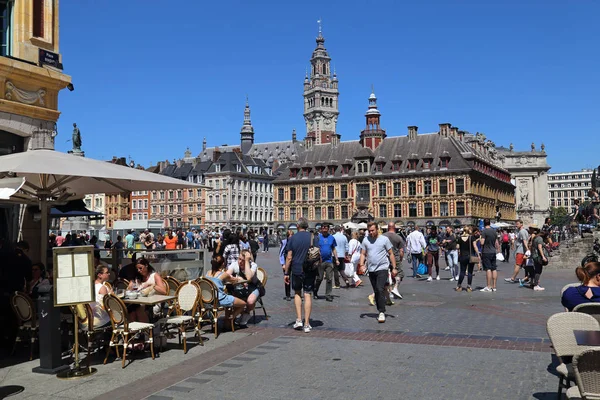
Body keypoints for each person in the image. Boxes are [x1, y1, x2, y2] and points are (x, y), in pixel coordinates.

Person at [359, 222, 397, 323]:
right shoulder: (366, 240)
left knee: (380, 289)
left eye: (373, 230)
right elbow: (363, 254)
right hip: (371, 269)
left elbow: (391, 253)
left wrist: (394, 267)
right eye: (369, 231)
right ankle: (380, 307)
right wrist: (362, 265)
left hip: (383, 268)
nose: (371, 233)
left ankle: (381, 312)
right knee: (376, 290)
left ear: (377, 229)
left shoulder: (384, 239)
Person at [283, 217, 314, 333]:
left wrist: (286, 272)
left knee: (297, 293)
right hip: (310, 269)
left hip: (296, 269)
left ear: (297, 226)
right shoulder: (312, 237)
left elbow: (289, 257)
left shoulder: (292, 238)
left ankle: (299, 320)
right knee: (307, 294)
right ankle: (307, 324)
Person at [206, 255, 247, 322]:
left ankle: (227, 318)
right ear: (223, 264)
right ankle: (230, 318)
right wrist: (239, 278)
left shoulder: (208, 273)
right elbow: (234, 280)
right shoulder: (223, 274)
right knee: (243, 304)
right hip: (220, 299)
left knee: (229, 298)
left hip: (209, 300)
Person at [127, 258, 167, 322]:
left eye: (140, 268)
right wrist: (130, 287)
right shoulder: (137, 277)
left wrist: (152, 285)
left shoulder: (154, 276)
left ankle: (145, 329)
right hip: (139, 302)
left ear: (146, 265)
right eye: (137, 269)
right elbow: (129, 289)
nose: (139, 270)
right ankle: (136, 329)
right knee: (131, 310)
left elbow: (164, 291)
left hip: (153, 303)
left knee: (137, 309)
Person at [227, 250, 259, 327]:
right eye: (239, 259)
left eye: (243, 260)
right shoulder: (234, 264)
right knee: (233, 299)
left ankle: (246, 313)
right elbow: (227, 275)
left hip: (253, 287)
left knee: (250, 301)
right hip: (239, 288)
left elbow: (248, 277)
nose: (240, 262)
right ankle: (235, 316)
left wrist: (247, 262)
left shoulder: (253, 265)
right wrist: (237, 278)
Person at [313, 224, 338, 302]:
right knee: (319, 278)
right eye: (323, 228)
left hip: (329, 261)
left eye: (326, 228)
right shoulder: (318, 238)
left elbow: (333, 248)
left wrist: (336, 259)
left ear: (328, 229)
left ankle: (328, 295)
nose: (324, 229)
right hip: (320, 261)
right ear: (321, 229)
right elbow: (315, 249)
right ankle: (315, 291)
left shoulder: (332, 238)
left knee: (329, 279)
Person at [383, 222, 405, 299]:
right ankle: (395, 288)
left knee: (387, 275)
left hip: (384, 258)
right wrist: (401, 259)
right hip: (395, 258)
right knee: (399, 274)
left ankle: (389, 291)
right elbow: (401, 251)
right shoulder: (398, 237)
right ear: (394, 228)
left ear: (388, 228)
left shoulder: (382, 236)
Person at [455, 227, 478, 292]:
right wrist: (478, 254)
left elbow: (457, 247)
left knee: (462, 271)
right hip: (470, 256)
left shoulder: (459, 238)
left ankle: (459, 286)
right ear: (469, 231)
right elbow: (475, 246)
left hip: (462, 256)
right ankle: (469, 287)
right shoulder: (472, 237)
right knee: (470, 272)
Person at [479, 219, 498, 292]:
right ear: (489, 223)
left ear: (484, 223)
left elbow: (482, 243)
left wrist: (480, 239)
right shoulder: (494, 231)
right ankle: (494, 286)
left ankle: (488, 286)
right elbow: (496, 243)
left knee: (488, 269)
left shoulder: (484, 231)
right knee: (494, 268)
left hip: (486, 252)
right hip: (493, 251)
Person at [280, 230, 292, 301]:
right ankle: (288, 294)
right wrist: (283, 264)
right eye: (290, 235)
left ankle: (298, 293)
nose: (291, 237)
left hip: (294, 262)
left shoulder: (294, 242)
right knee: (287, 278)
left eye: (292, 235)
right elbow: (281, 253)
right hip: (286, 262)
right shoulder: (284, 242)